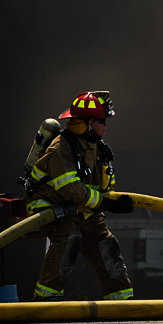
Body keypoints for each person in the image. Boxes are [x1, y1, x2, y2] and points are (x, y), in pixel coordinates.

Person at [24, 91, 135, 301]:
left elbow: (103, 187)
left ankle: (122, 304)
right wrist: (105, 203)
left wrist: (114, 202)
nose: (106, 125)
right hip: (50, 206)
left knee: (107, 245)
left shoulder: (99, 148)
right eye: (102, 121)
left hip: (82, 208)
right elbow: (70, 189)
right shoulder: (61, 147)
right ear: (86, 124)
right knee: (70, 240)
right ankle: (45, 303)